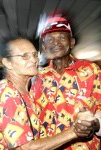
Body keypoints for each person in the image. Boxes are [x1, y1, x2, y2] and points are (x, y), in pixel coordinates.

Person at [0, 37, 95, 150]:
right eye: (25, 56)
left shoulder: (27, 91)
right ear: (8, 63)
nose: (34, 60)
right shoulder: (7, 92)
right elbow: (27, 148)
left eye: (35, 55)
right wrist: (74, 131)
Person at [31, 12, 101, 149]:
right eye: (50, 39)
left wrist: (95, 124)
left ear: (72, 42)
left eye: (62, 37)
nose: (56, 42)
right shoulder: (37, 77)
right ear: (44, 47)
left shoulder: (92, 70)